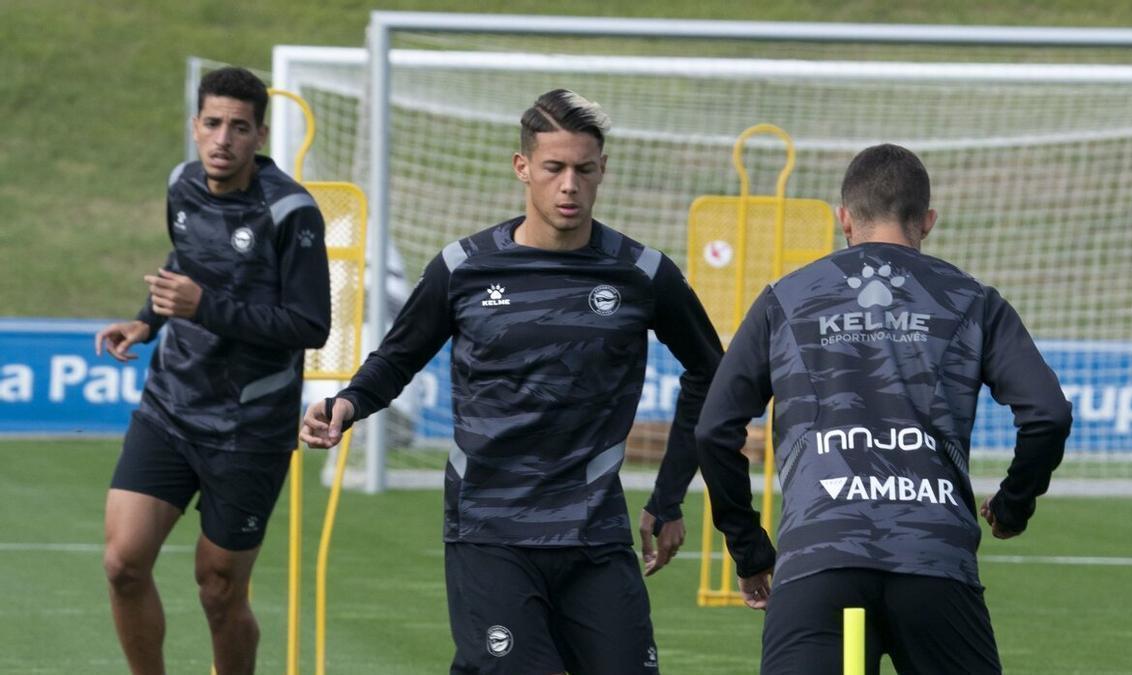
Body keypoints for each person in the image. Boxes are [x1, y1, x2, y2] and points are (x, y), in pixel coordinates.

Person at [300, 89, 722, 674]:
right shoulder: (463, 268)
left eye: (584, 169)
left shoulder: (643, 274)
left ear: (603, 171)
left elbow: (711, 373)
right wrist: (347, 402)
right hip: (489, 529)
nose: (569, 184)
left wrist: (669, 495)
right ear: (523, 168)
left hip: (593, 532)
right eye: (554, 168)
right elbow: (397, 358)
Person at [695, 143, 1073, 674]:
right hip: (933, 562)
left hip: (820, 559)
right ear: (929, 221)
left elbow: (714, 430)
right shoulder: (971, 300)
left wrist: (750, 549)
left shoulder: (786, 297)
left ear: (843, 218)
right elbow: (1048, 414)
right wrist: (1014, 504)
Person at [97, 66, 331, 675]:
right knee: (123, 564)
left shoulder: (291, 212)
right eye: (212, 123)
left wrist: (207, 308)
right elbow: (187, 257)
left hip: (249, 427)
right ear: (194, 127)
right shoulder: (182, 184)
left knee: (219, 590)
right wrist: (148, 319)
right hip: (170, 406)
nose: (222, 138)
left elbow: (310, 326)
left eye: (238, 127)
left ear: (260, 135)